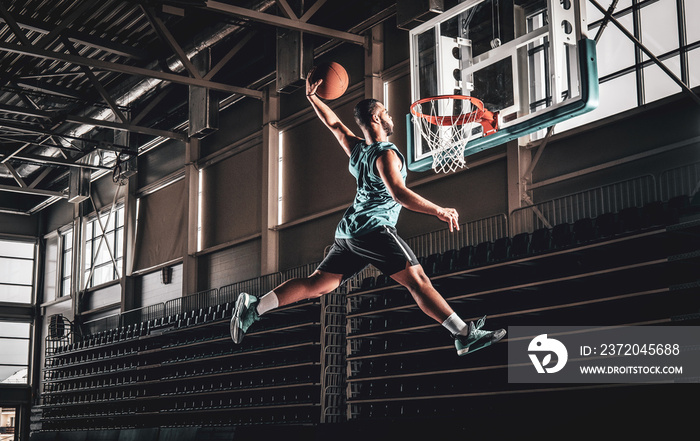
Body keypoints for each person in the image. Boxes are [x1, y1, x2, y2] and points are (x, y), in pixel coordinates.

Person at [230, 68, 505, 356]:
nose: (390, 115)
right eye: (385, 111)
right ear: (376, 118)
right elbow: (399, 194)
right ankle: (463, 334)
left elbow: (334, 124)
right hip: (374, 230)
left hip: (349, 232)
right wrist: (439, 210)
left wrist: (313, 97)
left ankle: (254, 307)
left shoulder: (358, 150)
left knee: (319, 283)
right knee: (418, 281)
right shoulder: (385, 154)